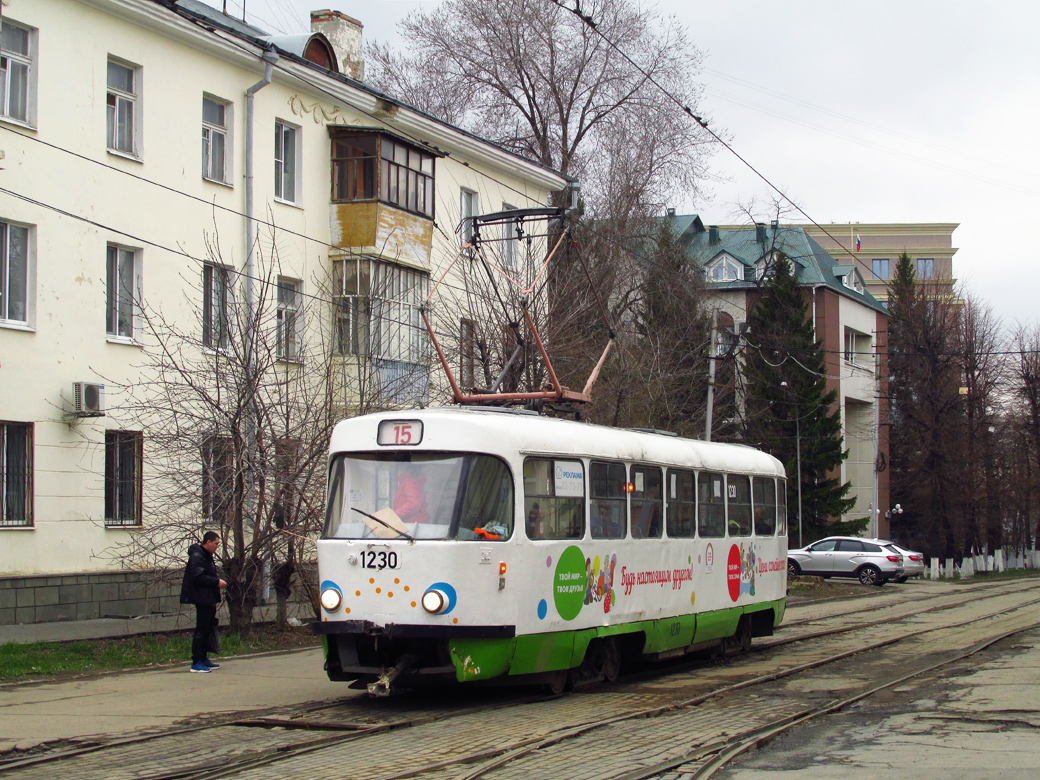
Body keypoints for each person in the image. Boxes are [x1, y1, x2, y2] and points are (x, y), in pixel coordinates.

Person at [179, 531, 227, 673]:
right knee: (201, 628)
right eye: (216, 543)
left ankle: (204, 658)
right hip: (201, 596)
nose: (217, 546)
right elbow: (198, 577)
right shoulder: (198, 556)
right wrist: (216, 582)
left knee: (208, 627)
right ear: (208, 542)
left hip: (208, 596)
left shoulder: (206, 556)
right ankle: (196, 661)